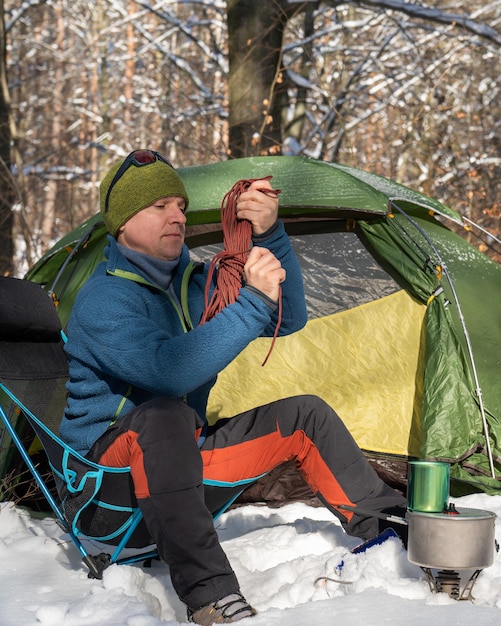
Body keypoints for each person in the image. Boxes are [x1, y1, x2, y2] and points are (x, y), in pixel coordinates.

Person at [59, 149, 407, 624]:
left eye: (180, 206)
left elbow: (290, 317)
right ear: (121, 224)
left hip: (179, 478)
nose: (177, 216)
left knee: (304, 414)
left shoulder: (196, 284)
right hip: (106, 501)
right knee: (164, 414)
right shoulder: (103, 298)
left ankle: (392, 525)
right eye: (158, 206)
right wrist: (249, 303)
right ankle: (210, 598)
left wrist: (269, 234)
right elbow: (170, 373)